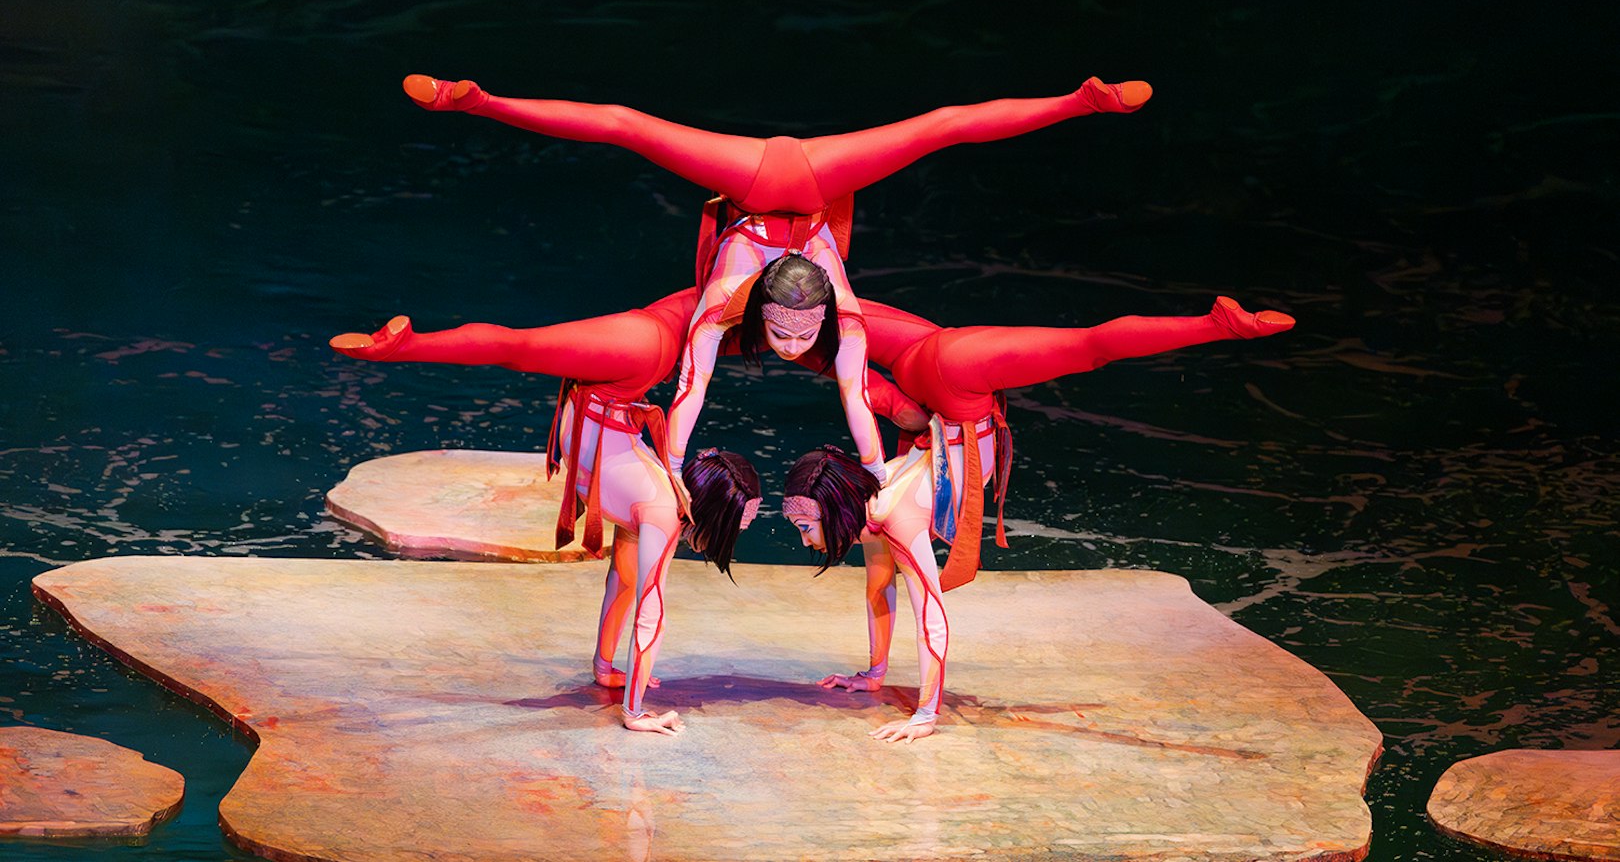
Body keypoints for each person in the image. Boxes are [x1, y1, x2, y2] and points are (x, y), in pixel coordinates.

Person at [401, 72, 1153, 486]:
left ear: (817, 315)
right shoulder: (724, 305)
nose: (793, 347)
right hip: (766, 183)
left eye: (802, 333)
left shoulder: (841, 314)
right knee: (624, 125)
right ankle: (478, 99)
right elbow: (690, 390)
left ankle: (1084, 100)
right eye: (786, 332)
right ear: (764, 308)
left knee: (941, 127)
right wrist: (668, 468)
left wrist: (876, 471)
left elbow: (857, 397)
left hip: (808, 185)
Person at [782, 297, 1296, 742]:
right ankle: (1219, 323)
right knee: (814, 332)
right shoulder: (875, 499)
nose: (807, 541)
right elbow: (878, 589)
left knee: (1089, 348)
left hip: (958, 381)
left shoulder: (893, 520)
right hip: (927, 363)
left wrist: (925, 713)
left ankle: (1218, 324)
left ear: (833, 510)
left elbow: (930, 616)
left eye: (806, 527)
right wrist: (873, 675)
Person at [329, 301, 760, 736]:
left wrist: (606, 668)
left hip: (598, 404)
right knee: (519, 347)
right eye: (738, 525)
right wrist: (635, 710)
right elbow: (652, 613)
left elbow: (624, 583)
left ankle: (604, 663)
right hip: (626, 372)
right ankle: (403, 347)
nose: (739, 534)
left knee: (626, 577)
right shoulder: (664, 513)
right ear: (715, 515)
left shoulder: (650, 507)